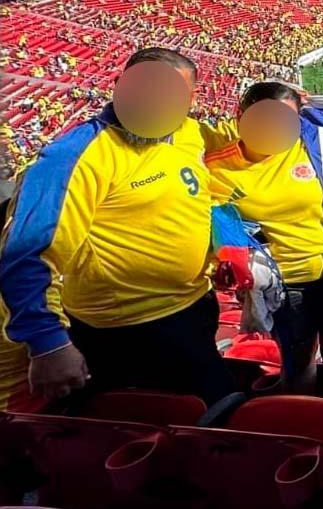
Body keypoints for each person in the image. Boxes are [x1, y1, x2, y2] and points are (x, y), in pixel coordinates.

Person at [0, 48, 235, 405]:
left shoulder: (189, 132)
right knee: (192, 422)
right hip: (127, 329)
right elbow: (27, 253)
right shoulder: (77, 156)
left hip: (193, 305)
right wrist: (47, 342)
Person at [204, 82, 323, 403]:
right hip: (287, 286)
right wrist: (229, 259)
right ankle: (303, 426)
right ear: (240, 116)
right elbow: (222, 219)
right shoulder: (219, 166)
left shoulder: (313, 145)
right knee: (298, 365)